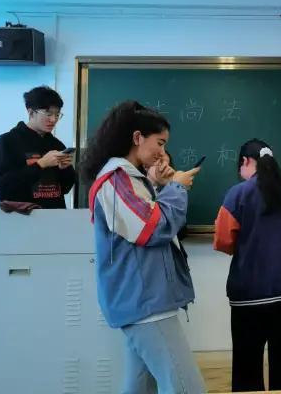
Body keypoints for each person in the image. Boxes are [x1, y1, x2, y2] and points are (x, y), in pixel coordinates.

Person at [81, 101, 205, 394]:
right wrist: (176, 187)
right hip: (146, 302)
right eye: (160, 143)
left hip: (143, 299)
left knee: (140, 387)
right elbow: (152, 228)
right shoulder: (116, 179)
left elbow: (144, 220)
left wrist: (160, 186)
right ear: (138, 138)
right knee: (186, 388)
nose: (163, 152)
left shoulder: (128, 179)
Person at [214, 138, 281, 392]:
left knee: (247, 370)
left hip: (250, 295)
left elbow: (223, 241)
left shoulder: (238, 194)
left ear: (246, 161)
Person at [0, 85, 75, 208]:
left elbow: (65, 188)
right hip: (23, 215)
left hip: (55, 214)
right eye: (48, 114)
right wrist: (40, 164)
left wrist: (65, 169)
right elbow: (4, 188)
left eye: (57, 114)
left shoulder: (56, 144)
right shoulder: (8, 141)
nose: (53, 120)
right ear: (31, 112)